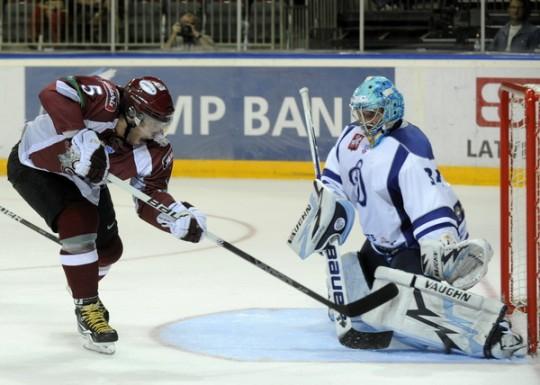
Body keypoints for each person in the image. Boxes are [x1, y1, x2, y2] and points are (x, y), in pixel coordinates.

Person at [288, 76, 526, 359]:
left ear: (389, 111)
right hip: (380, 244)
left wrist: (439, 248)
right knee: (358, 295)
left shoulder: (409, 150)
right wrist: (325, 209)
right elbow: (334, 180)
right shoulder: (350, 138)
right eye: (359, 113)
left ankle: (490, 332)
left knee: (405, 304)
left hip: (411, 245)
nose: (362, 121)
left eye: (370, 114)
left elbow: (430, 204)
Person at [7, 75, 207, 355]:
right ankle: (87, 305)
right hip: (37, 167)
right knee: (80, 220)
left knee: (110, 250)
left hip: (86, 182)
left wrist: (173, 215)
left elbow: (149, 199)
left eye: (165, 124)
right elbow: (53, 92)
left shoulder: (155, 152)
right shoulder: (104, 98)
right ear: (133, 114)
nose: (158, 132)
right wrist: (79, 134)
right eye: (154, 124)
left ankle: (81, 281)